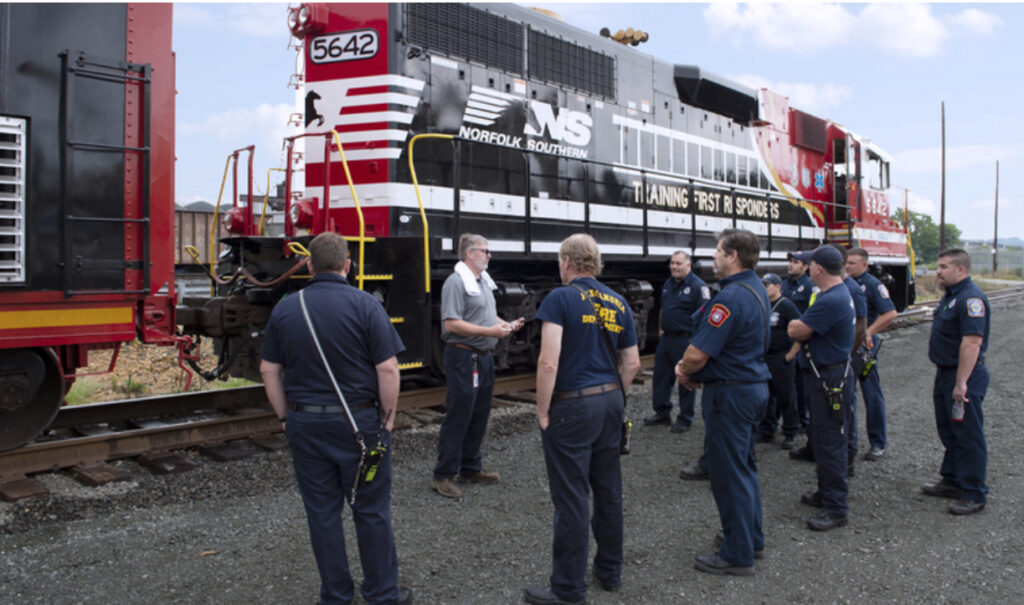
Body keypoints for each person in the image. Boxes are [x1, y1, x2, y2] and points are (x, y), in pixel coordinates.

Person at [259, 232, 412, 605]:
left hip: (306, 425)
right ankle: (382, 593)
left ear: (309, 266)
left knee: (322, 514)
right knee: (371, 510)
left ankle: (336, 595)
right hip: (360, 425)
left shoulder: (286, 308)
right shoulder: (366, 305)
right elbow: (388, 370)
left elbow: (268, 370)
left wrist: (285, 417)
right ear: (348, 265)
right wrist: (387, 420)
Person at [525, 233, 641, 605]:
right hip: (610, 404)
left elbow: (548, 362)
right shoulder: (619, 301)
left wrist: (542, 409)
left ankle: (568, 588)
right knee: (608, 492)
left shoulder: (559, 299)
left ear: (566, 262)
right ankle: (610, 571)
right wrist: (613, 395)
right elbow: (632, 363)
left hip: (573, 407)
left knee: (572, 498)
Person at [675, 229, 770, 576]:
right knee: (743, 468)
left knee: (728, 474)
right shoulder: (756, 289)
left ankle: (737, 554)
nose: (713, 256)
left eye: (717, 250)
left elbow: (697, 354)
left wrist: (684, 370)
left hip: (730, 395)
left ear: (733, 255)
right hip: (751, 388)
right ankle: (750, 538)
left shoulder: (728, 299)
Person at [433, 234, 524, 499]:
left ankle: (470, 467)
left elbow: (485, 315)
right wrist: (490, 331)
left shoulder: (482, 281)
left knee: (480, 412)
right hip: (463, 356)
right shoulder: (455, 282)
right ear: (470, 253)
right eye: (485, 251)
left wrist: (505, 324)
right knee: (459, 413)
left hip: (482, 357)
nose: (489, 255)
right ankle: (443, 474)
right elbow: (451, 323)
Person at [787, 245, 855, 532]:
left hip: (829, 378)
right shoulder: (836, 294)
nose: (806, 267)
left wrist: (796, 323)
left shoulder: (831, 300)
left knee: (829, 442)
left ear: (818, 268)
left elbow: (796, 330)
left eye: (809, 263)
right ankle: (826, 492)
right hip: (827, 376)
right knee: (822, 437)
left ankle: (836, 507)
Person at [922, 248, 990, 516]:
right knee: (949, 430)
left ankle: (974, 493)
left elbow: (972, 342)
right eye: (938, 266)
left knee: (968, 434)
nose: (937, 271)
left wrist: (961, 383)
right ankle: (952, 480)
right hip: (945, 372)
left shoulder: (970, 298)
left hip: (963, 374)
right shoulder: (951, 296)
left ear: (960, 269)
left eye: (943, 267)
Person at [645, 250, 711, 432]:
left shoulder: (698, 287)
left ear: (688, 265)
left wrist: (697, 343)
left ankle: (685, 418)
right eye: (672, 263)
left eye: (678, 264)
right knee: (661, 377)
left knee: (685, 378)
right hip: (667, 339)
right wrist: (661, 329)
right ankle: (662, 412)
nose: (674, 267)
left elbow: (705, 317)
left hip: (685, 340)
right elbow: (664, 309)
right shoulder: (668, 284)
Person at [846, 248, 898, 461]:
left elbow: (890, 313)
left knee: (871, 391)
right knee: (846, 393)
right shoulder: (844, 283)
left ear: (864, 265)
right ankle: (848, 440)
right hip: (847, 346)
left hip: (866, 349)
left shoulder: (873, 285)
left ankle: (877, 442)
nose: (848, 266)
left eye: (852, 263)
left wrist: (868, 332)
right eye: (846, 262)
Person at [756, 273, 802, 449]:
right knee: (766, 395)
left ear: (778, 287)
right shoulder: (763, 304)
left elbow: (800, 330)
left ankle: (790, 431)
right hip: (764, 356)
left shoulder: (787, 306)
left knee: (786, 395)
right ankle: (767, 429)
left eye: (767, 285)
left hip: (781, 356)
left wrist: (791, 354)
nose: (764, 288)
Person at [783, 250, 815, 431]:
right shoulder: (784, 285)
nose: (791, 265)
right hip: (783, 340)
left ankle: (803, 420)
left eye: (796, 262)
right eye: (790, 261)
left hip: (801, 341)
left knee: (800, 384)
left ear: (805, 267)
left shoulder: (810, 286)